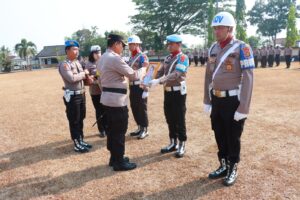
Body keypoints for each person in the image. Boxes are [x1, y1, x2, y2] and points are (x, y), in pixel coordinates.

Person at [203, 12, 254, 186]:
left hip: (233, 101)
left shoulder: (242, 48)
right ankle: (223, 164)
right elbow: (208, 76)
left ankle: (233, 167)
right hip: (216, 99)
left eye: (220, 28)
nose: (216, 31)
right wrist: (207, 100)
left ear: (230, 28)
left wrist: (243, 107)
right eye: (215, 28)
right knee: (219, 133)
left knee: (233, 136)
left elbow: (248, 78)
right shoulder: (213, 48)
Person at [97, 34, 138, 171]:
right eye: (122, 45)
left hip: (107, 99)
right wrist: (144, 69)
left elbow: (99, 79)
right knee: (119, 130)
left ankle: (114, 157)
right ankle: (119, 161)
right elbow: (132, 75)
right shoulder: (114, 58)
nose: (123, 48)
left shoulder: (102, 57)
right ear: (116, 44)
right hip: (117, 101)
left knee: (112, 130)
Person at [149, 34, 189, 158]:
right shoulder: (167, 58)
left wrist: (159, 81)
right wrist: (149, 80)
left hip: (178, 92)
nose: (169, 46)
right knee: (169, 117)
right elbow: (160, 72)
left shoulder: (183, 58)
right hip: (167, 91)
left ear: (179, 44)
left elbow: (176, 74)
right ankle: (173, 142)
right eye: (168, 44)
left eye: (172, 44)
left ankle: (182, 144)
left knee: (179, 118)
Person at [58, 40, 93, 153]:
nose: (76, 51)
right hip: (73, 96)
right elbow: (71, 78)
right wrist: (84, 73)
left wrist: (88, 78)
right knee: (74, 120)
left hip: (81, 94)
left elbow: (83, 77)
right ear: (67, 50)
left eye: (77, 49)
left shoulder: (78, 63)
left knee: (81, 118)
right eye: (74, 49)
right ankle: (76, 143)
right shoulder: (64, 64)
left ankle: (81, 139)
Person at [127, 35, 150, 139]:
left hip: (140, 85)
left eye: (132, 44)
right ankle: (139, 127)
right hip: (132, 85)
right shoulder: (131, 57)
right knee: (134, 106)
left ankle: (145, 129)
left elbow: (147, 72)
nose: (130, 46)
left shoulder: (142, 56)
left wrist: (146, 87)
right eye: (129, 44)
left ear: (137, 44)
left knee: (141, 107)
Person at [85, 45, 106, 138]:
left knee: (106, 110)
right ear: (92, 54)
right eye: (96, 53)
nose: (98, 54)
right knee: (99, 110)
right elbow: (88, 80)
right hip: (95, 91)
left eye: (99, 52)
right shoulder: (88, 64)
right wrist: (95, 80)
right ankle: (101, 130)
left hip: (105, 90)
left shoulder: (103, 61)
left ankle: (107, 127)